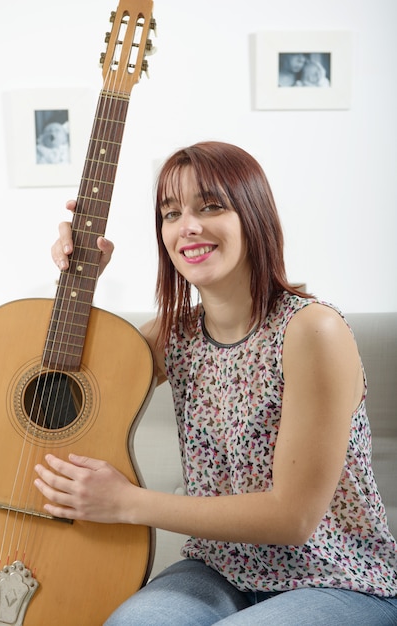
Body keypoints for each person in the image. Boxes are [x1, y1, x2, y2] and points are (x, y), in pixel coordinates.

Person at [35, 141, 397, 625]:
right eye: (170, 213)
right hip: (221, 569)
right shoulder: (174, 333)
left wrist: (126, 504)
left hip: (335, 578)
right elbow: (67, 394)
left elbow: (293, 518)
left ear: (253, 216)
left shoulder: (312, 330)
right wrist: (81, 279)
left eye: (211, 206)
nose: (188, 227)